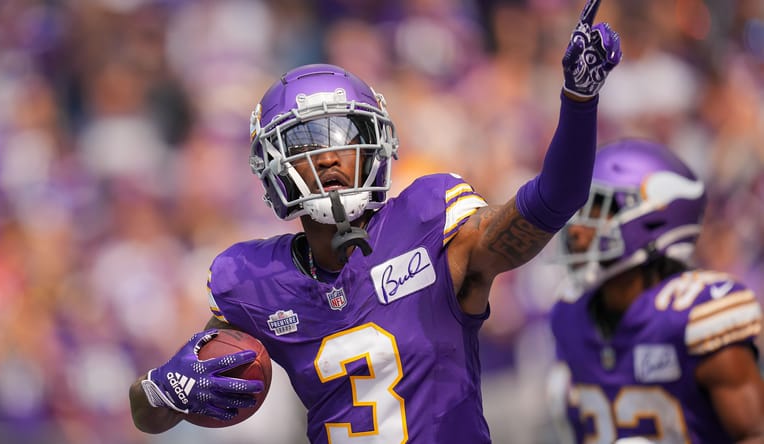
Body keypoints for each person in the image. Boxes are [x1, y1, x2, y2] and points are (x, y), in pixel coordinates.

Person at [128, 0, 622, 441]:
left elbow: (555, 200)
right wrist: (163, 388)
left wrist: (578, 102)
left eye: (342, 136)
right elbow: (149, 416)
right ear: (273, 165)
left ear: (376, 145)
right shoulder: (253, 281)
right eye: (305, 144)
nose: (327, 157)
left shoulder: (429, 219)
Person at [547, 139, 764, 443]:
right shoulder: (570, 311)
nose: (577, 229)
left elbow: (754, 434)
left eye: (595, 211)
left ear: (651, 218)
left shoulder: (696, 314)